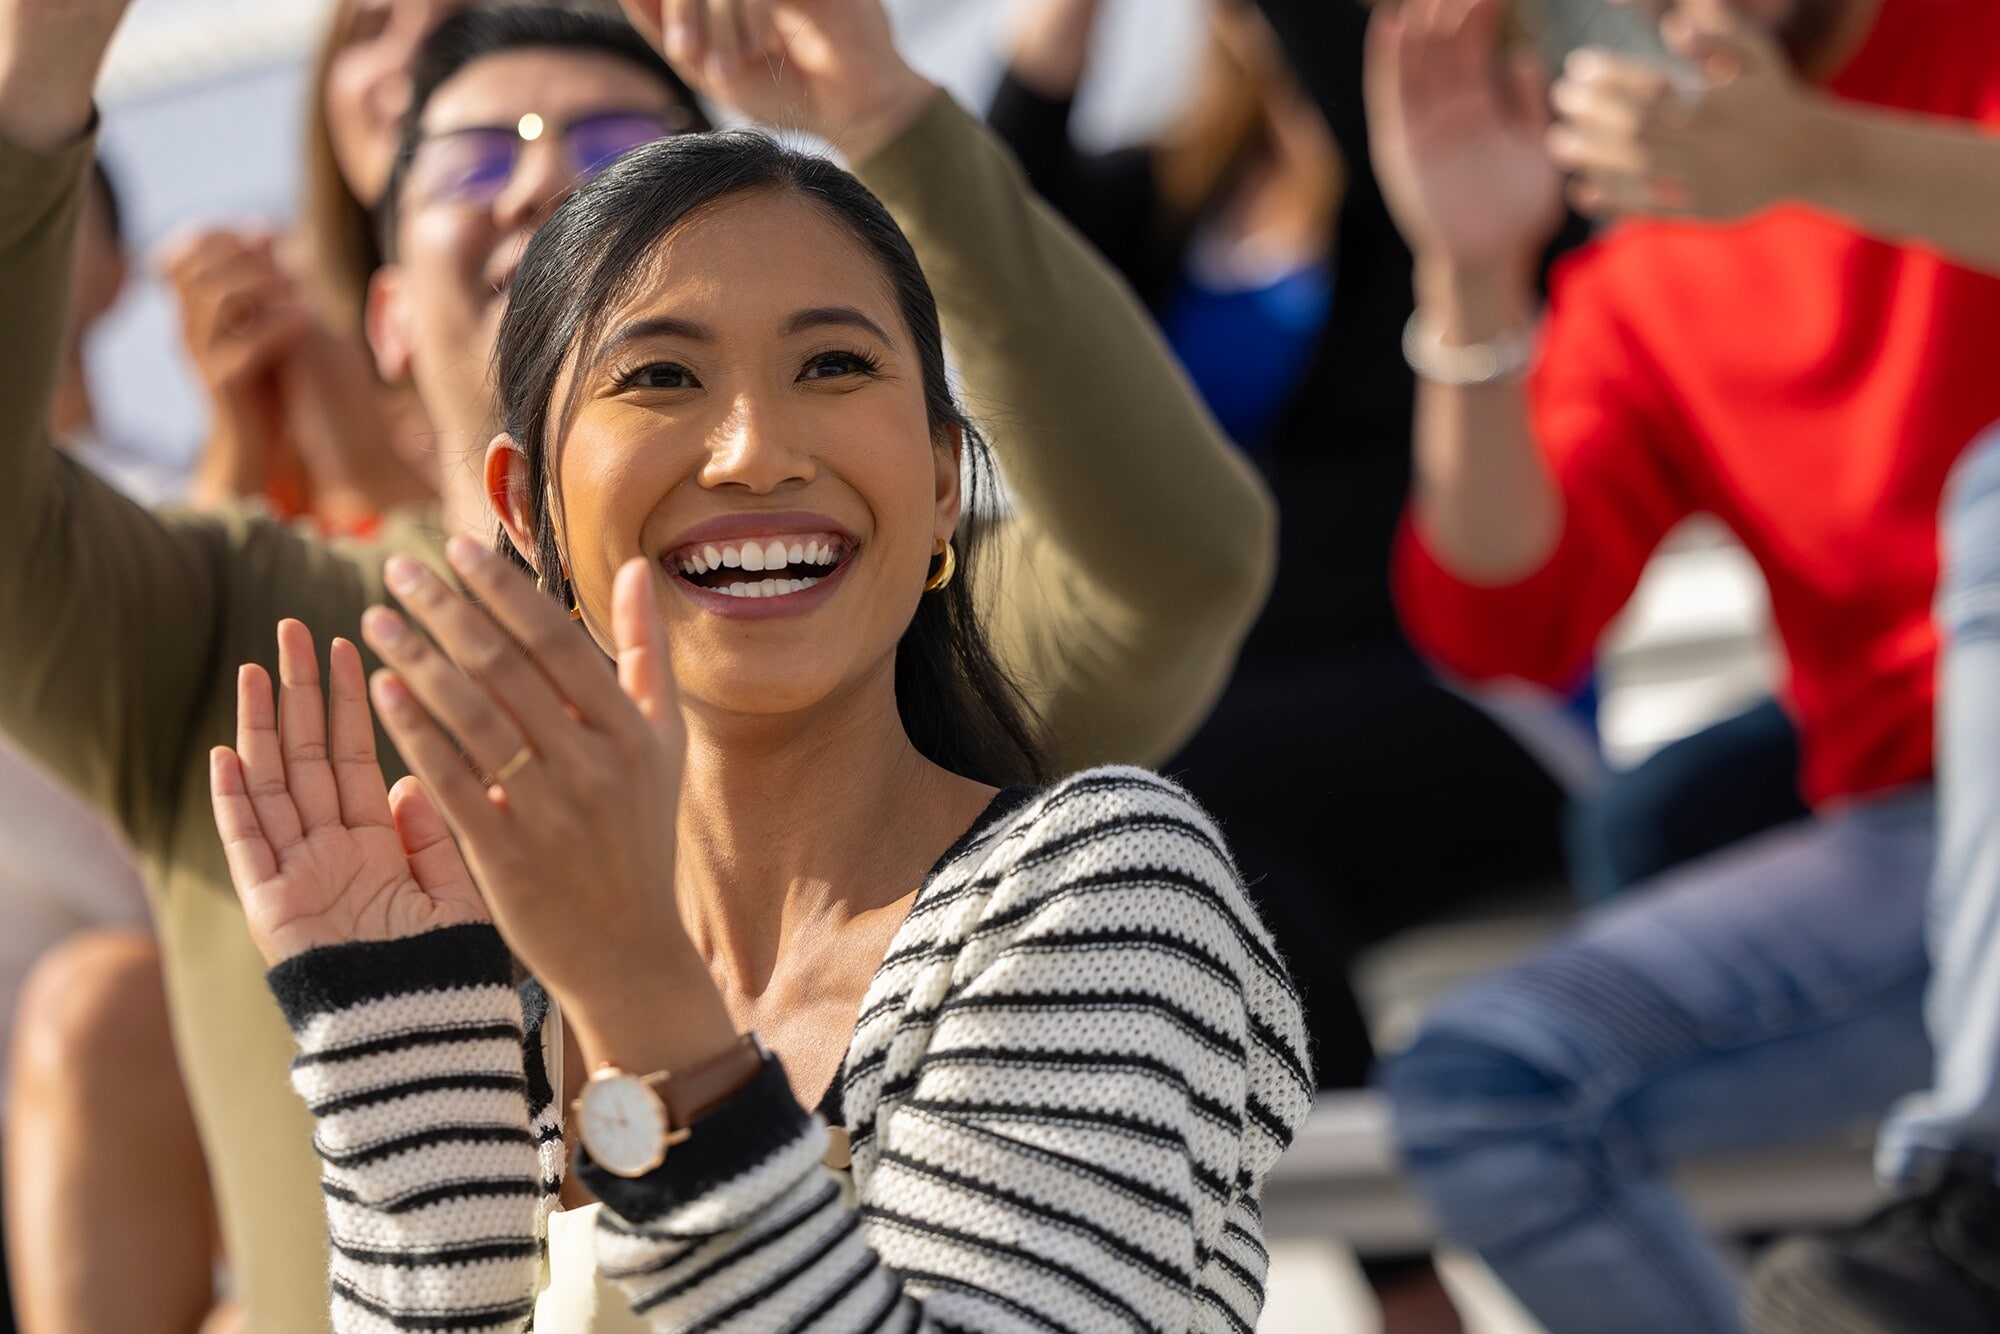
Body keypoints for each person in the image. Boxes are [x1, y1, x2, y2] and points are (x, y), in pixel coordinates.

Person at [0, 0, 1276, 1325]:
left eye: (617, 146)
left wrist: (633, 983)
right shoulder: (232, 623)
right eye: (477, 156)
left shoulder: (1072, 871)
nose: (753, 451)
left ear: (946, 478)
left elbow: (1176, 565)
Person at [1357, 0, 2000, 1329]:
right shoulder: (1654, 255)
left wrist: (1814, 152)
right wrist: (1469, 274)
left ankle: (1981, 1191)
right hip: (1917, 848)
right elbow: (1504, 623)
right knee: (1484, 1085)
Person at [1742, 424, 2000, 1332]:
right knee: (1488, 1088)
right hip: (1889, 814)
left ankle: (1985, 1218)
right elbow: (1504, 634)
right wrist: (1469, 323)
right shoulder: (1636, 290)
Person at [162, 0, 463, 532]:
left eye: (461, 24)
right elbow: (197, 601)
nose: (408, 56)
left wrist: (373, 473)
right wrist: (240, 432)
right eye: (371, 27)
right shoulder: (297, 353)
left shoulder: (581, 338)